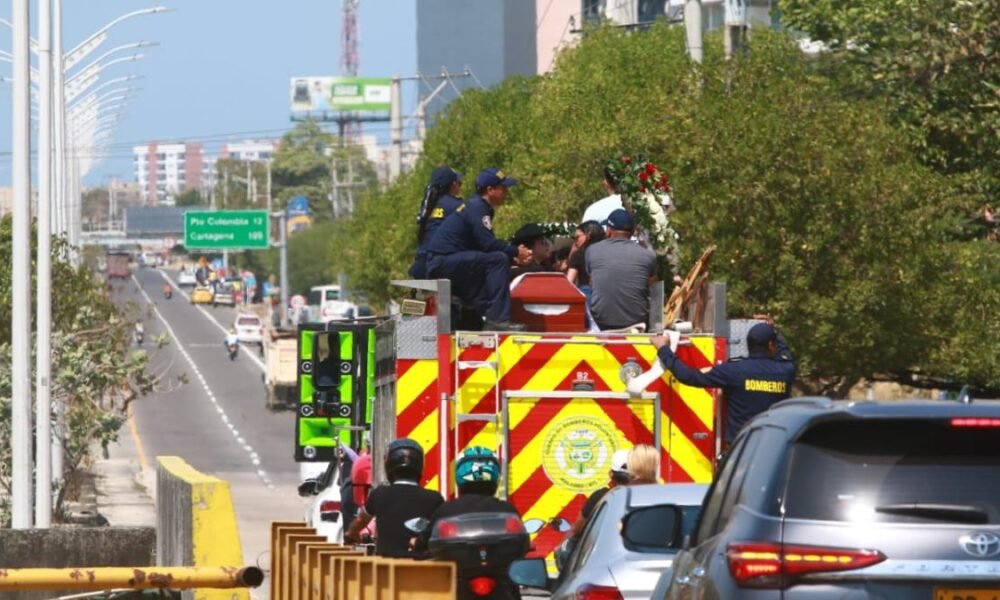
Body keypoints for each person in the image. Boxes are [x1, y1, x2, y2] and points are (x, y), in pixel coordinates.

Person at [652, 322, 796, 445]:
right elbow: (785, 353)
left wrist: (664, 350)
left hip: (741, 449)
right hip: (774, 447)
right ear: (771, 345)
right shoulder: (786, 371)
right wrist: (774, 329)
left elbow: (689, 376)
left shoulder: (733, 371)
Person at [425, 168, 533, 331]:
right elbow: (488, 244)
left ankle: (481, 320)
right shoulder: (478, 207)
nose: (506, 192)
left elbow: (482, 246)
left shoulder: (477, 206)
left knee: (494, 263)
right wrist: (516, 252)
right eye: (503, 188)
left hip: (448, 261)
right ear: (490, 190)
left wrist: (513, 258)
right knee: (498, 260)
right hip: (442, 262)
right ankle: (497, 320)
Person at [416, 447, 520, 600]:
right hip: (500, 581)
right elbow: (521, 544)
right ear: (495, 476)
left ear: (459, 475)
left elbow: (424, 541)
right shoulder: (507, 510)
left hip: (457, 581)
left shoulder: (446, 510)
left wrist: (417, 543)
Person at [344, 438, 444, 557]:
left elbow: (361, 520)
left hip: (387, 568)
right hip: (423, 568)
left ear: (389, 464)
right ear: (420, 465)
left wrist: (352, 533)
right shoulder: (435, 498)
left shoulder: (379, 494)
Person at [586, 209, 656, 330]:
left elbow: (592, 282)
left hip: (601, 322)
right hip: (636, 322)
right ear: (633, 231)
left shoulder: (592, 250)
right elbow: (653, 289)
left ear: (608, 231)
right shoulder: (648, 256)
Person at [410, 166, 464, 279]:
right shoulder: (457, 205)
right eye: (459, 183)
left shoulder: (427, 207)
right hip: (441, 267)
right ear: (453, 185)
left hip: (421, 265)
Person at [566, 220, 606, 300]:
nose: (575, 242)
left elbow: (568, 283)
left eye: (577, 237)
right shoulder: (609, 253)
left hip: (588, 297)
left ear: (588, 235)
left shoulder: (579, 255)